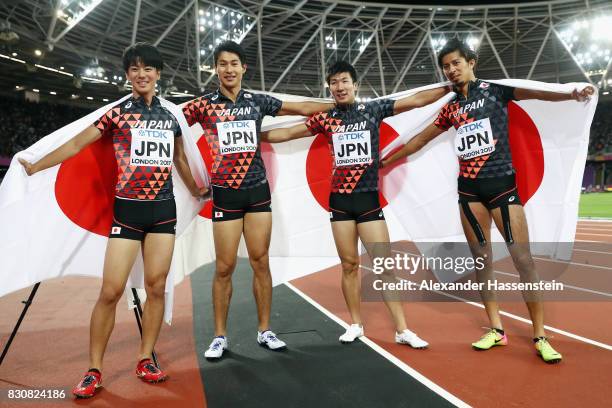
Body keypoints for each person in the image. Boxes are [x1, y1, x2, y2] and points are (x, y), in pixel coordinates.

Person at [382, 38, 595, 363]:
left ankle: (540, 336)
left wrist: (569, 93)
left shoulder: (496, 92)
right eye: (446, 67)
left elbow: (536, 92)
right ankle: (496, 329)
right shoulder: (451, 108)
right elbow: (419, 140)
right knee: (481, 263)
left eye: (456, 63)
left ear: (471, 62)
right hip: (469, 194)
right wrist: (385, 161)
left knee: (524, 262)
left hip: (502, 191)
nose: (451, 70)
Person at [19, 42, 207, 397]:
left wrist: (196, 190)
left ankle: (145, 357)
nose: (141, 74)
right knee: (110, 290)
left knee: (155, 286)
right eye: (135, 69)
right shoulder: (116, 114)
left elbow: (181, 160)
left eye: (148, 68)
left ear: (158, 73)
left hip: (163, 213)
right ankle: (93, 369)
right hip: (128, 213)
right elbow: (76, 145)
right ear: (127, 75)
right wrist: (36, 164)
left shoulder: (171, 117)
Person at [261, 60, 449, 346]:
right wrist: (252, 135)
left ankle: (402, 330)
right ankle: (355, 323)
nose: (339, 87)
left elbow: (414, 101)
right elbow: (286, 133)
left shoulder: (372, 110)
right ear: (330, 87)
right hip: (340, 204)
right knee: (349, 265)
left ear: (355, 84)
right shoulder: (326, 118)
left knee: (384, 266)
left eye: (344, 81)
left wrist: (449, 88)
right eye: (334, 82)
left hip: (369, 203)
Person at [182, 41, 335, 359]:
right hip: (225, 195)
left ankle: (265, 330)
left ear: (243, 67)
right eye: (222, 63)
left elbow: (299, 108)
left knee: (260, 262)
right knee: (223, 268)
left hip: (257, 194)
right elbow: (172, 125)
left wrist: (337, 102)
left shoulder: (258, 101)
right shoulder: (202, 106)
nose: (228, 69)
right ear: (216, 68)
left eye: (234, 63)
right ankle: (219, 336)